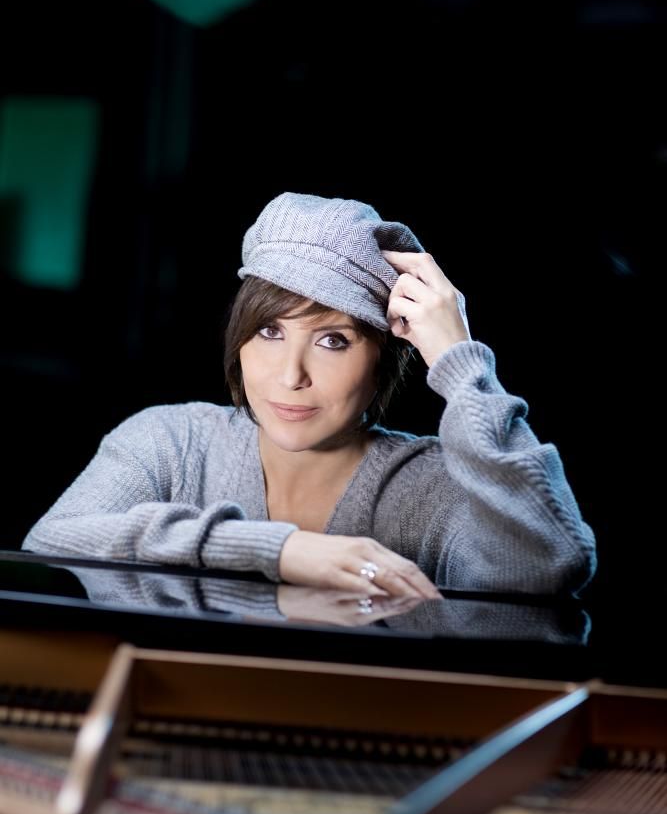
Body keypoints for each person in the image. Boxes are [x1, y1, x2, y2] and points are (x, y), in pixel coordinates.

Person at [22, 192, 596, 599]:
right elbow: (51, 543)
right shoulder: (170, 442)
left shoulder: (433, 487)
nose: (290, 375)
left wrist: (458, 359)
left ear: (384, 356)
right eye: (270, 332)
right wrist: (278, 551)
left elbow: (549, 564)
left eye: (332, 340)